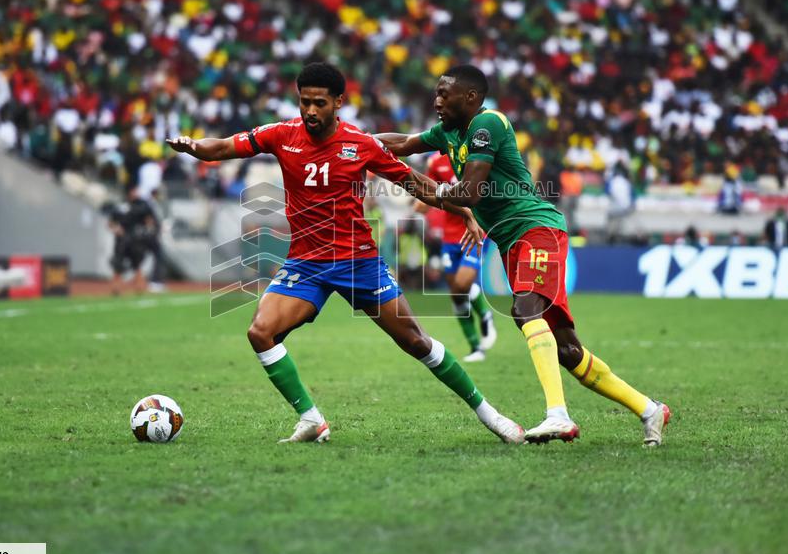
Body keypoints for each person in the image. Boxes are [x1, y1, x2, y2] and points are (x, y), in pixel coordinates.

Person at [166, 62, 523, 445]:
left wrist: (464, 210)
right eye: (304, 102)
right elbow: (221, 147)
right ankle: (311, 419)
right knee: (261, 332)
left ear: (338, 102)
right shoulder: (280, 134)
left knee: (416, 342)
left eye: (319, 103)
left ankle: (491, 415)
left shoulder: (361, 144)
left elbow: (416, 184)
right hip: (305, 263)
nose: (310, 111)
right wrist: (193, 147)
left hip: (358, 262)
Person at [378, 65, 670, 446]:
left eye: (443, 93)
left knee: (524, 308)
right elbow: (402, 143)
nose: (436, 100)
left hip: (536, 228)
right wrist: (351, 141)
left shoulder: (488, 124)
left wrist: (424, 188)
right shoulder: (448, 132)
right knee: (568, 350)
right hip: (511, 240)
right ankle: (650, 410)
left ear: (470, 97)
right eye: (436, 93)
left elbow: (469, 193)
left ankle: (558, 416)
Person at [414, 150, 496, 362]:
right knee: (457, 294)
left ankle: (485, 314)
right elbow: (427, 191)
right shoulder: (435, 162)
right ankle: (476, 347)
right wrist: (421, 204)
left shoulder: (475, 159)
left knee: (461, 284)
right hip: (449, 238)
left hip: (473, 232)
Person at [108, 185, 158, 296]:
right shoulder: (120, 206)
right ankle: (116, 288)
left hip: (136, 240)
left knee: (137, 264)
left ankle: (139, 287)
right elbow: (111, 222)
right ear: (129, 192)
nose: (136, 193)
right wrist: (116, 229)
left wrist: (147, 230)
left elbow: (149, 220)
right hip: (121, 240)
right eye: (134, 191)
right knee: (118, 264)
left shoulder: (142, 206)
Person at [605, 162, 635, 244]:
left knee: (612, 226)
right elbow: (632, 196)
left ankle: (611, 238)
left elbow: (607, 192)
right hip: (627, 208)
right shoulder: (627, 182)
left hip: (616, 209)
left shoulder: (613, 181)